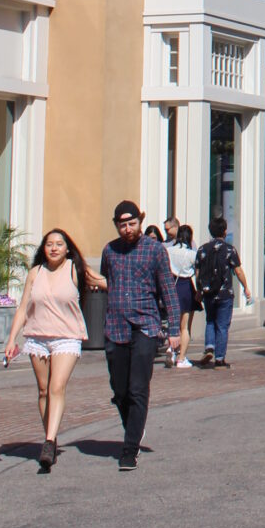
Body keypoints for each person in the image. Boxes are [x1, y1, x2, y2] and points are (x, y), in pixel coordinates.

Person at [2, 227, 104, 467]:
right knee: (43, 390)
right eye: (49, 244)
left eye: (59, 244)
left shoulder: (76, 269)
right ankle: (51, 433)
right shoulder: (35, 272)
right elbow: (23, 307)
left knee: (57, 387)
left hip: (66, 337)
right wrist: (11, 339)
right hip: (37, 336)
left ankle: (48, 442)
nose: (54, 248)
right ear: (43, 248)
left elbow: (109, 284)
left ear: (67, 248)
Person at [99, 200, 181, 469]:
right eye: (122, 225)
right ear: (116, 225)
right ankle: (134, 427)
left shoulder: (155, 250)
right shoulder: (109, 251)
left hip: (145, 325)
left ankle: (129, 448)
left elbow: (168, 290)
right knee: (120, 390)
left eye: (132, 223)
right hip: (116, 326)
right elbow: (107, 280)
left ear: (140, 222)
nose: (127, 229)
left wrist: (175, 330)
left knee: (137, 388)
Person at [194, 215, 252, 368]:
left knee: (210, 320)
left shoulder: (202, 249)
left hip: (208, 292)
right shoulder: (229, 249)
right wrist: (245, 287)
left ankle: (209, 346)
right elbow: (238, 271)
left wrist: (199, 290)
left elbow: (198, 273)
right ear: (224, 231)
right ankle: (219, 358)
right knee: (222, 325)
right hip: (225, 293)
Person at [165, 224, 196, 366]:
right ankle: (181, 358)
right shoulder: (191, 254)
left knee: (172, 323)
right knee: (185, 327)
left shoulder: (168, 251)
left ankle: (171, 350)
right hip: (186, 286)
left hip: (172, 286)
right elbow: (197, 271)